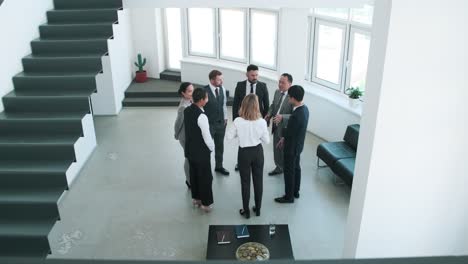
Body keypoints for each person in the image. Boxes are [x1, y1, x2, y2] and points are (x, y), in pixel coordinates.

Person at [227, 94, 270, 219]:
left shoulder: (238, 121)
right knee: (258, 181)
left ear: (243, 105)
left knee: (245, 183)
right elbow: (266, 140)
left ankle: (246, 211)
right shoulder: (262, 122)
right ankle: (258, 209)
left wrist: (239, 134)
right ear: (257, 106)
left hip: (244, 153)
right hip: (257, 152)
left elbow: (229, 137)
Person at [274, 85, 309, 203]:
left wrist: (283, 134)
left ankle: (289, 196)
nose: (288, 99)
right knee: (296, 168)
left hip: (291, 148)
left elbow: (289, 132)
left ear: (293, 98)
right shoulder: (305, 109)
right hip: (298, 146)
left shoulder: (296, 115)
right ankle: (295, 191)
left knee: (289, 172)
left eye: (289, 97)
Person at [232, 64, 269, 171]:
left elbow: (266, 105)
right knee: (242, 141)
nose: (255, 77)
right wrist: (235, 120)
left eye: (256, 75)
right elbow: (235, 104)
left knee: (256, 141)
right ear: (247, 74)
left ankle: (255, 161)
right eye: (252, 75)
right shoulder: (240, 85)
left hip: (257, 119)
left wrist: (265, 122)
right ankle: (241, 162)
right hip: (243, 118)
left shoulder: (263, 86)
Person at [184, 88, 215, 212]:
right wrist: (212, 148)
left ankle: (196, 199)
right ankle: (206, 204)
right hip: (201, 152)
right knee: (205, 177)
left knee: (194, 174)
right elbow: (206, 137)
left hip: (190, 150)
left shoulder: (187, 111)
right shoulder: (202, 116)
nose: (207, 100)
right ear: (201, 100)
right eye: (206, 98)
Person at [264, 73, 294, 176]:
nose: (280, 84)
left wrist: (282, 117)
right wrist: (268, 114)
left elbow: (295, 115)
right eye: (279, 82)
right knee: (276, 148)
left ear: (290, 84)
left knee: (285, 150)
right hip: (276, 126)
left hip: (286, 128)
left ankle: (287, 167)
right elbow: (273, 105)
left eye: (283, 82)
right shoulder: (277, 92)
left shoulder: (293, 97)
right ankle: (279, 167)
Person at [203, 70, 229, 175]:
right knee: (207, 147)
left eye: (221, 78)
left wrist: (226, 118)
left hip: (221, 123)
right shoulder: (204, 91)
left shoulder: (222, 88)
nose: (221, 81)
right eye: (219, 79)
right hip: (209, 124)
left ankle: (219, 166)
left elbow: (223, 105)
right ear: (212, 80)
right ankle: (205, 169)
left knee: (220, 146)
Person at [174, 82, 194, 189]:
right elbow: (178, 122)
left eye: (192, 90)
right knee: (188, 158)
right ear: (183, 93)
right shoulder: (183, 107)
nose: (192, 93)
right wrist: (176, 134)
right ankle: (189, 181)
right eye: (190, 91)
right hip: (185, 136)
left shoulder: (191, 101)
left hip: (191, 135)